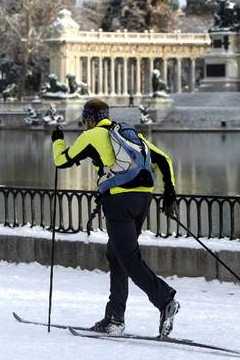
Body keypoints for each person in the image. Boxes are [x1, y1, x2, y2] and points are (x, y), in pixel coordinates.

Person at [51, 98, 179, 337]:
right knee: (117, 255)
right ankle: (114, 318)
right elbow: (164, 159)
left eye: (86, 120)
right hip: (142, 199)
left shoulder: (92, 136)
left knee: (128, 258)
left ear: (89, 119)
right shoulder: (127, 133)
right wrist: (170, 192)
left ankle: (165, 300)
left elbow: (61, 161)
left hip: (119, 202)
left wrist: (57, 140)